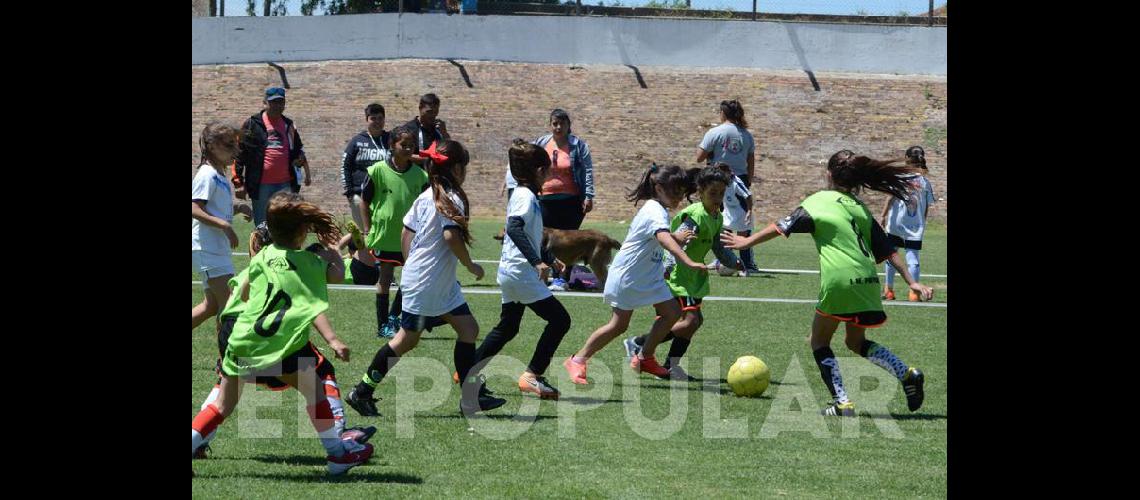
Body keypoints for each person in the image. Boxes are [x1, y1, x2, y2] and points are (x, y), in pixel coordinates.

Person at [721, 150, 934, 417]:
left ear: (829, 174)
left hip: (839, 281)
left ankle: (842, 402)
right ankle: (907, 374)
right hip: (867, 281)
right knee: (855, 342)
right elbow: (889, 251)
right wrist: (911, 282)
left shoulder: (818, 201)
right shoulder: (858, 207)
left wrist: (745, 242)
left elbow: (781, 226)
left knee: (818, 340)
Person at [190, 192, 374, 476]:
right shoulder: (309, 263)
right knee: (315, 392)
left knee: (222, 406)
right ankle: (338, 455)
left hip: (242, 340)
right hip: (281, 346)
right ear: (303, 230)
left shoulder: (263, 256)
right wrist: (332, 252)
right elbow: (338, 275)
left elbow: (245, 292)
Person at [347, 139, 508, 417]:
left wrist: (411, 265)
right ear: (457, 168)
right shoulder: (450, 197)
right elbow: (450, 236)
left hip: (431, 280)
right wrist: (470, 266)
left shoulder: (428, 195)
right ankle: (361, 392)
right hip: (429, 282)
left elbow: (406, 232)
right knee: (406, 341)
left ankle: (472, 399)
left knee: (468, 329)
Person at [562, 164, 707, 384]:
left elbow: (659, 236)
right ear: (658, 188)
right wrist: (687, 260)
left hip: (647, 276)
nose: (679, 197)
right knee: (618, 325)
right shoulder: (653, 210)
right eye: (674, 191)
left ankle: (644, 357)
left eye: (681, 191)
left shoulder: (657, 209)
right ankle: (577, 360)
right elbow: (662, 238)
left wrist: (676, 237)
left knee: (672, 312)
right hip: (629, 276)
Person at [467, 139, 571, 400]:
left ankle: (468, 371)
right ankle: (532, 376)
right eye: (547, 170)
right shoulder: (525, 196)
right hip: (521, 273)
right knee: (560, 320)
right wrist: (537, 262)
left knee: (508, 327)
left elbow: (528, 233)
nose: (549, 175)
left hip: (510, 271)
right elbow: (514, 228)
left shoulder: (525, 195)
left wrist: (548, 256)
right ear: (538, 172)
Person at [624, 166, 742, 381]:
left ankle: (671, 366)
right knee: (690, 321)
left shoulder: (715, 216)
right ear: (700, 192)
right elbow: (675, 243)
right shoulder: (695, 217)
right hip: (679, 276)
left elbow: (717, 245)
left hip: (693, 276)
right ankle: (640, 344)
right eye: (712, 194)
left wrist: (734, 262)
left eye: (721, 194)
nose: (717, 198)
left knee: (695, 322)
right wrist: (667, 269)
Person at [358, 125, 430, 338]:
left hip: (411, 237)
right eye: (403, 145)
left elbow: (426, 206)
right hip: (385, 236)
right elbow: (364, 201)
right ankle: (383, 325)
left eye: (411, 146)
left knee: (410, 279)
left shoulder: (420, 175)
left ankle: (393, 317)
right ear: (392, 146)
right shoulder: (377, 170)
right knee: (385, 277)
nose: (408, 149)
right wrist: (367, 228)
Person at [193, 122, 253, 330]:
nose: (234, 151)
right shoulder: (207, 174)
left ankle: (224, 358)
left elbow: (215, 207)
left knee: (211, 306)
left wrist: (239, 207)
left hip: (216, 248)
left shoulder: (218, 174)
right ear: (211, 146)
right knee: (230, 305)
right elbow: (194, 208)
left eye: (235, 145)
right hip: (207, 247)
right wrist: (225, 226)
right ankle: (225, 360)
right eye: (228, 145)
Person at [697, 100, 758, 273]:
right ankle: (725, 258)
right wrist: (748, 180)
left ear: (722, 113)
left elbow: (699, 157)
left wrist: (711, 152)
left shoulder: (714, 132)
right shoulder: (746, 135)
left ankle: (745, 263)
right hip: (740, 178)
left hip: (716, 181)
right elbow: (750, 161)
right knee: (735, 221)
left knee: (723, 220)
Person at [234, 87, 309, 225]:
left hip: (285, 184)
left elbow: (298, 149)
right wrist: (238, 182)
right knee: (262, 225)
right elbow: (239, 153)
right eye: (273, 102)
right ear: (265, 103)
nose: (277, 106)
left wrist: (299, 161)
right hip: (261, 185)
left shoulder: (289, 125)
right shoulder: (251, 124)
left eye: (281, 102)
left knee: (285, 223)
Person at [881, 146, 936, 302]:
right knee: (913, 258)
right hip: (915, 226)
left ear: (906, 158)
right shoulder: (925, 182)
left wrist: (882, 216)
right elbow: (927, 206)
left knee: (891, 255)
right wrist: (922, 222)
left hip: (895, 224)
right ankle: (914, 293)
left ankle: (889, 290)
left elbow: (890, 198)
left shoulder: (899, 177)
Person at [341, 103, 392, 229]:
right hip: (359, 194)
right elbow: (345, 166)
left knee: (382, 229)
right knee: (365, 232)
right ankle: (356, 248)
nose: (377, 122)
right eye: (373, 118)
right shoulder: (357, 141)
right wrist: (349, 193)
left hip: (384, 194)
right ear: (367, 120)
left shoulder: (390, 140)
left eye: (380, 118)